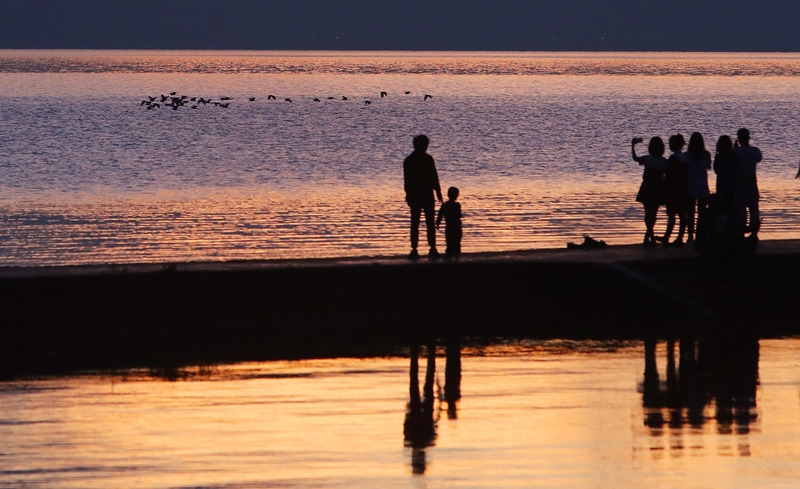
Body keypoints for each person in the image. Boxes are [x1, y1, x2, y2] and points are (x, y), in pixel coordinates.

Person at [404, 135, 443, 258]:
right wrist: (409, 194)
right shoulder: (414, 160)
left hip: (423, 194)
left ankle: (428, 248)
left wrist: (438, 191)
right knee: (420, 222)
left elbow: (433, 176)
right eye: (425, 145)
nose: (426, 147)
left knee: (424, 222)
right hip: (420, 194)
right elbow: (408, 180)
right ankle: (417, 248)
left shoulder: (413, 159)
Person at [632, 136, 668, 246]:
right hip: (658, 189)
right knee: (654, 214)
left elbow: (635, 158)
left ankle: (649, 236)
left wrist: (632, 146)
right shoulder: (664, 161)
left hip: (647, 188)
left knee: (648, 214)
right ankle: (649, 237)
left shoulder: (647, 159)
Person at [660, 134, 689, 245]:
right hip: (684, 189)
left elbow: (668, 176)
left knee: (672, 215)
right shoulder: (685, 157)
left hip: (673, 190)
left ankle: (667, 237)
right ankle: (680, 237)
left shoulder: (673, 159)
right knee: (682, 215)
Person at [734, 128, 762, 237]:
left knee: (741, 209)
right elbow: (758, 159)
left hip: (740, 183)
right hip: (752, 182)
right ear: (749, 138)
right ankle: (754, 232)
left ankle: (741, 229)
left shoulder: (736, 152)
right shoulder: (755, 151)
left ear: (739, 139)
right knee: (754, 208)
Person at [713, 135, 745, 231]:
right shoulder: (734, 156)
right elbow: (739, 169)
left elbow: (716, 170)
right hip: (732, 186)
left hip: (722, 186)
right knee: (732, 209)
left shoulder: (719, 157)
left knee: (722, 209)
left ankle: (722, 229)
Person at [685, 132, 712, 243]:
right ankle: (702, 233)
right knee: (702, 212)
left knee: (690, 212)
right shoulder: (706, 155)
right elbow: (709, 167)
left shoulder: (687, 155)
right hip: (702, 186)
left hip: (690, 186)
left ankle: (690, 234)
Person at [436, 186, 463, 258]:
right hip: (456, 226)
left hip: (450, 226)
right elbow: (459, 215)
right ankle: (456, 255)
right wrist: (438, 222)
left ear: (448, 195)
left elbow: (440, 215)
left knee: (449, 241)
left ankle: (450, 254)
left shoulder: (445, 205)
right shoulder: (457, 205)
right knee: (456, 241)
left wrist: (437, 223)